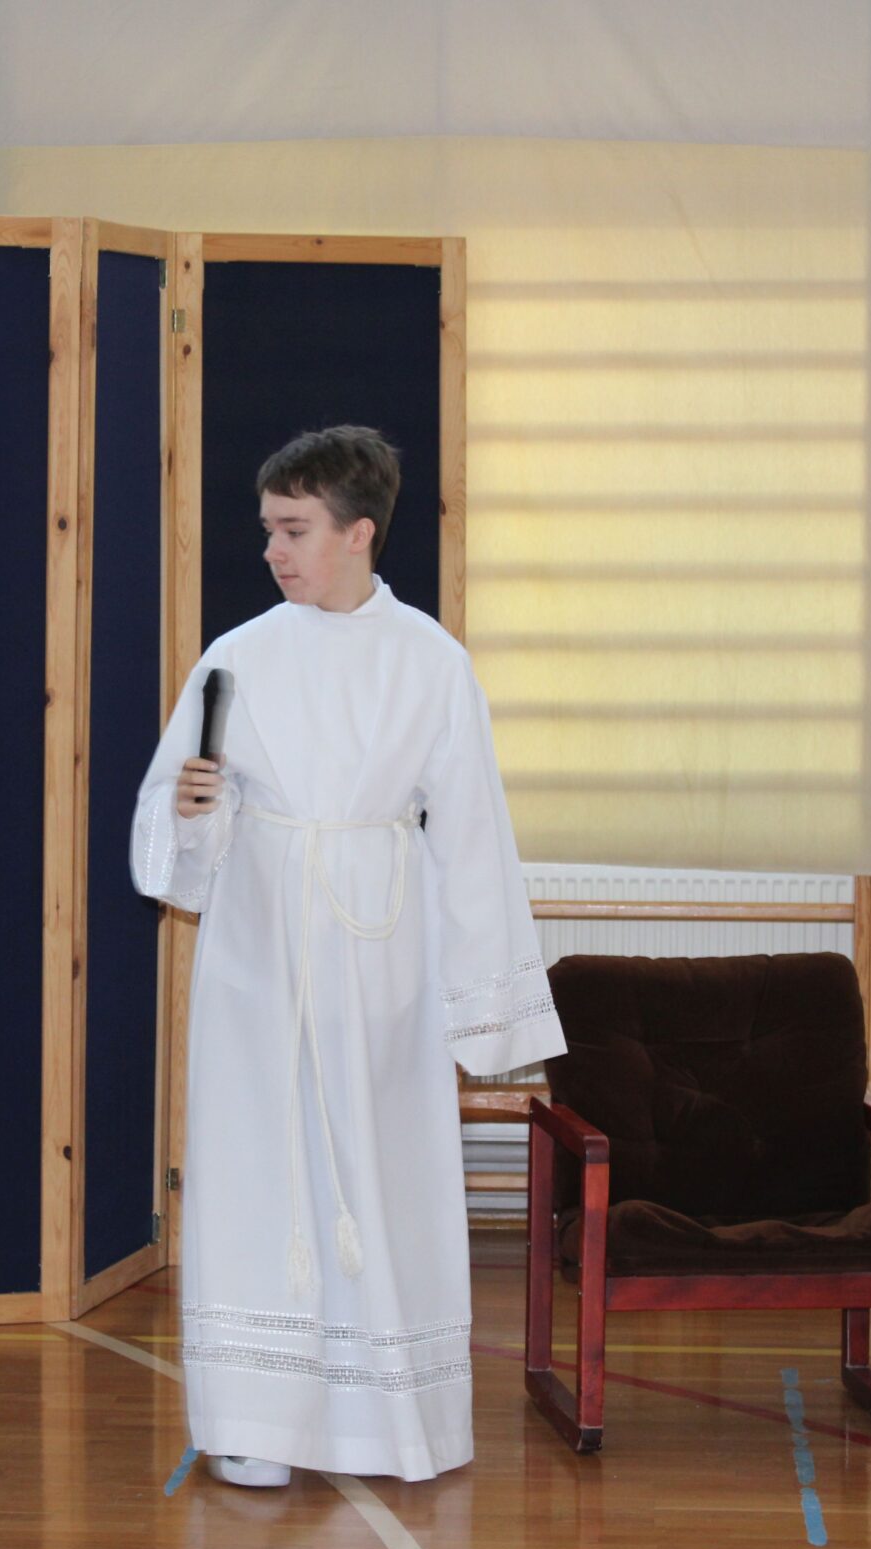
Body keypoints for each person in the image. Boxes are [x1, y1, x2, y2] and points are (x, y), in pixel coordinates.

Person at [131, 425, 563, 1488]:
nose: (271, 550)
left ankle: (386, 1421)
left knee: (379, 1171)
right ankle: (258, 1421)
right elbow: (175, 832)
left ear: (359, 532)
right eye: (268, 529)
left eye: (294, 530)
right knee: (258, 1170)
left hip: (378, 954)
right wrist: (194, 810)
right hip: (260, 952)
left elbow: (470, 833)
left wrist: (481, 1006)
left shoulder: (431, 660)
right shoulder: (236, 656)